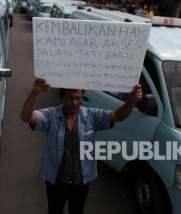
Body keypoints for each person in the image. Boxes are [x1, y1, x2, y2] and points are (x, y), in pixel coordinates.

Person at [20, 78, 143, 214]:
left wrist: (131, 101)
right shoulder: (51, 116)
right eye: (69, 98)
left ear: (82, 97)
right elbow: (26, 117)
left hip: (81, 182)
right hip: (56, 182)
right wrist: (34, 94)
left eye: (78, 98)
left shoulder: (92, 116)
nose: (74, 103)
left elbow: (118, 116)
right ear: (62, 97)